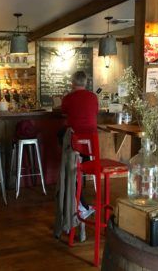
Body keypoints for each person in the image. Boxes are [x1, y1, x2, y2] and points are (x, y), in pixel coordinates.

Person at [60, 71, 99, 220]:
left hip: (75, 143)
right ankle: (81, 200)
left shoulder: (69, 98)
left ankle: (79, 203)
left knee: (73, 169)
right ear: (86, 82)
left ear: (72, 83)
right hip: (91, 146)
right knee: (80, 169)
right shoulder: (93, 97)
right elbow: (95, 111)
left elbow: (63, 111)